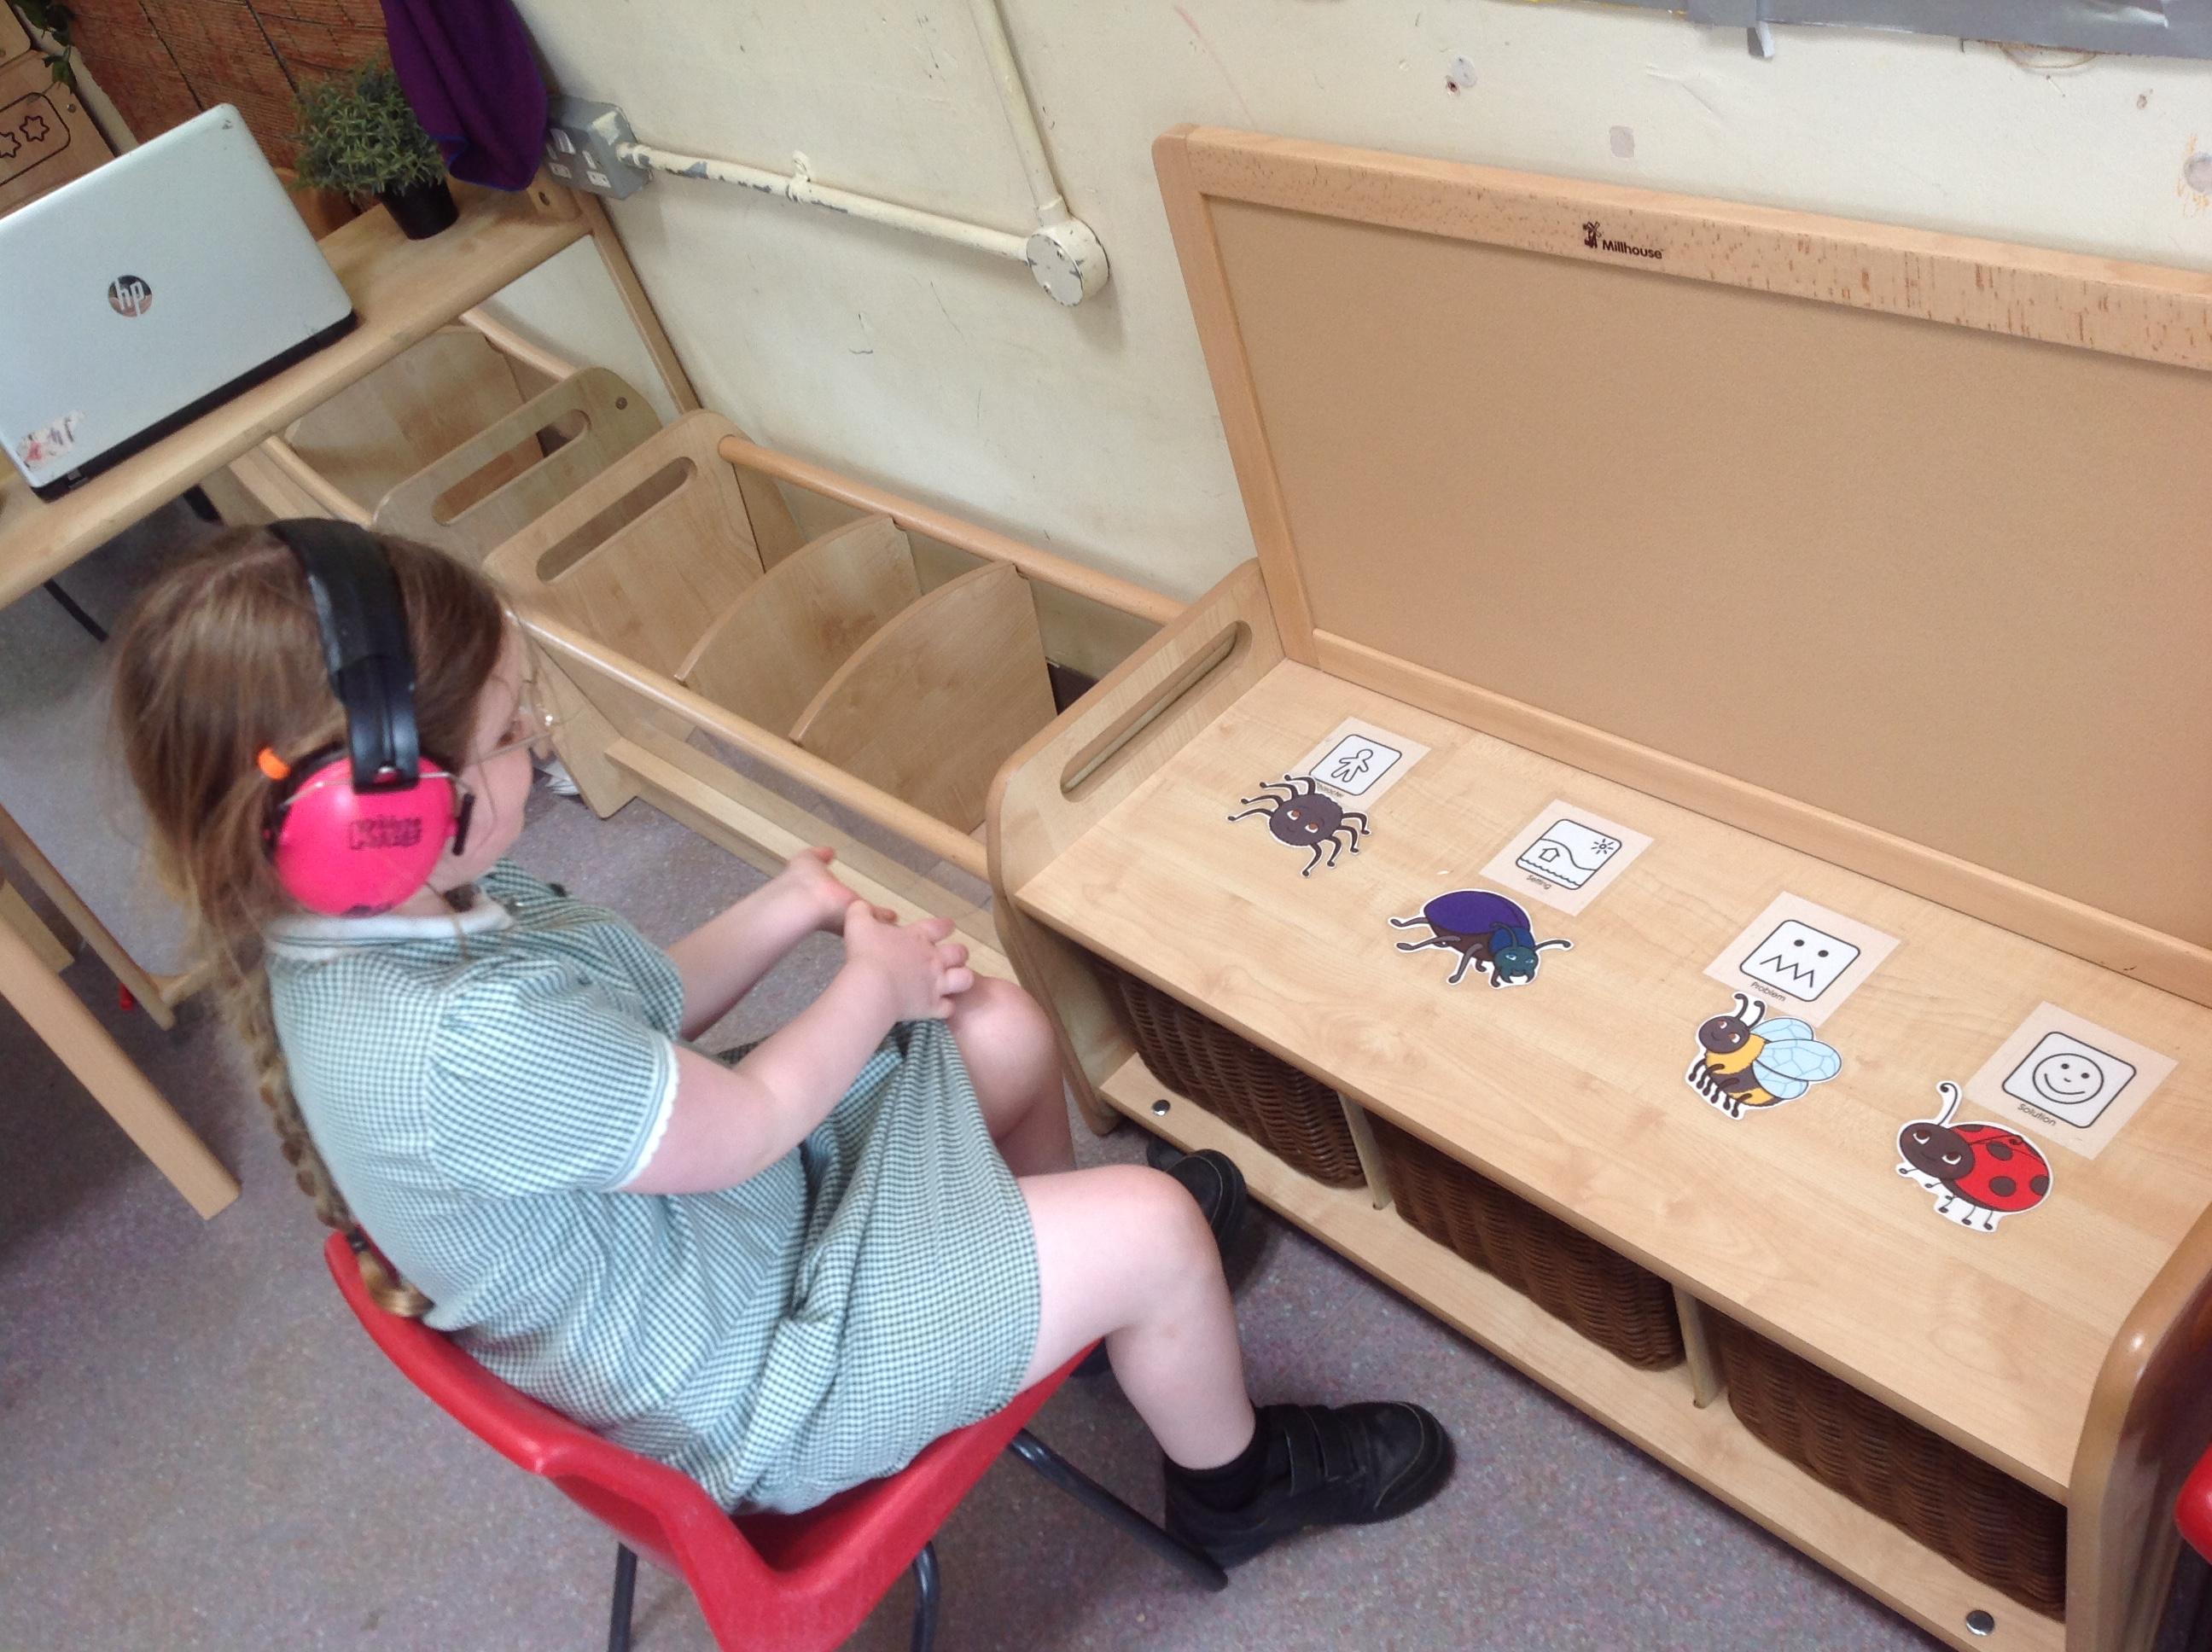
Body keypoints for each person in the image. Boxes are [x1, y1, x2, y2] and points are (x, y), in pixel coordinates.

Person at [111, 522, 1452, 1564]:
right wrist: (867, 985)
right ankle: (1235, 1487)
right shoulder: (466, 1039)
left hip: (739, 1242)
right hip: (759, 1378)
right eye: (513, 735)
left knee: (999, 1024)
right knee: (1155, 1226)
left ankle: (1089, 1322)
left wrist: (787, 908)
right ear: (388, 813)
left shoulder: (405, 903)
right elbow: (740, 1126)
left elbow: (638, 1007)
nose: (543, 743)